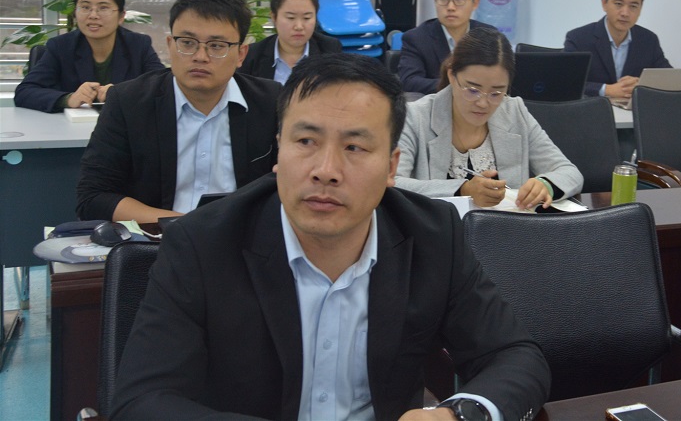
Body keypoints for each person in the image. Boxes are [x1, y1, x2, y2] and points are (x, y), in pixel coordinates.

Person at [111, 52, 550, 420]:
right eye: (306, 141)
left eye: (355, 147)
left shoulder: (433, 236)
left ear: (392, 166)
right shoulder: (202, 243)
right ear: (279, 150)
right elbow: (141, 400)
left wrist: (458, 415)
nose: (326, 170)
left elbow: (516, 357)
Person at [75, 0, 281, 223]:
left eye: (216, 46)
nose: (200, 56)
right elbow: (93, 197)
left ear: (241, 54)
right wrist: (184, 225)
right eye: (187, 42)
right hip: (157, 236)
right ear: (170, 45)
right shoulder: (128, 102)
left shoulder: (271, 102)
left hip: (242, 236)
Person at [396, 27, 583, 208]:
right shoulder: (415, 116)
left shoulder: (514, 112)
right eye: (473, 90)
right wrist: (461, 189)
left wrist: (546, 185)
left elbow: (569, 172)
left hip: (507, 227)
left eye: (496, 93)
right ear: (452, 76)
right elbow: (392, 183)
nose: (483, 103)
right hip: (438, 228)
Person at [14, 0, 164, 112]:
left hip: (125, 130)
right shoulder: (61, 46)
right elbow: (25, 92)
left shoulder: (138, 45)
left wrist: (124, 93)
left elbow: (163, 88)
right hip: (73, 129)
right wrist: (69, 99)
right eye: (85, 7)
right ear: (75, 12)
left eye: (103, 8)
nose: (93, 15)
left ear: (121, 16)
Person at [563, 0, 671, 99]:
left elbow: (669, 78)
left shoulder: (648, 40)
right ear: (604, 3)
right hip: (594, 109)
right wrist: (606, 89)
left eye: (633, 6)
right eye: (619, 4)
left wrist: (642, 85)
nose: (625, 13)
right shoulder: (578, 39)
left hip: (634, 111)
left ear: (641, 8)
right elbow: (567, 82)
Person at [398, 0, 495, 95]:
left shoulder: (489, 36)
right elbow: (409, 81)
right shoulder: (416, 38)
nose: (450, 7)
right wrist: (459, 86)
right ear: (435, 1)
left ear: (475, 3)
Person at [239, 0, 344, 83]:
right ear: (274, 17)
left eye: (306, 18)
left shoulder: (329, 50)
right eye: (291, 18)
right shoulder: (252, 56)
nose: (299, 26)